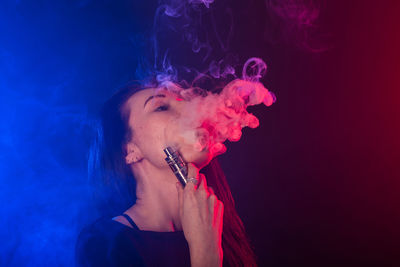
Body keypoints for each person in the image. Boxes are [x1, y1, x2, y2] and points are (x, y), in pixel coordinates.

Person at [75, 81, 257, 266]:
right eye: (161, 107)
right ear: (129, 151)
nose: (191, 109)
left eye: (186, 102)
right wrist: (205, 251)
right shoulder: (104, 247)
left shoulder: (223, 229)